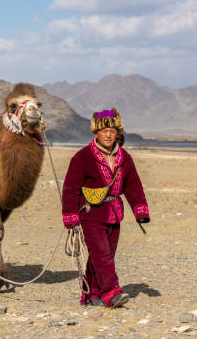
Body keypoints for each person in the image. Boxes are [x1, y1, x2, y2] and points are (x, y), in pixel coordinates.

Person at [61, 108, 150, 308]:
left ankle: (91, 295)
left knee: (101, 256)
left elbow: (133, 185)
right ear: (96, 133)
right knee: (102, 255)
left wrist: (140, 210)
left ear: (117, 132)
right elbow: (71, 187)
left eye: (112, 131)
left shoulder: (124, 157)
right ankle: (112, 293)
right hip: (91, 213)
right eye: (104, 131)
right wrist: (70, 215)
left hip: (115, 213)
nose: (108, 135)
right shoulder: (82, 157)